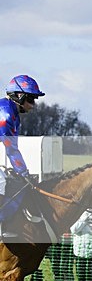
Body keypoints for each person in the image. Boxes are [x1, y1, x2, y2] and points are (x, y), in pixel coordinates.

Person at [0, 74, 44, 239]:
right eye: (31, 99)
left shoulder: (11, 112)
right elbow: (11, 149)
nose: (33, 105)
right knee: (2, 181)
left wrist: (21, 171)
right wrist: (24, 173)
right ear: (19, 96)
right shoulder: (5, 113)